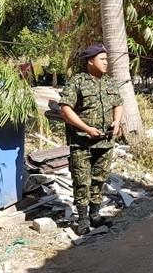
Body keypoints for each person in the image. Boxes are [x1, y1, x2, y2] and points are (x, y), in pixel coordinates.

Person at [59, 44, 123, 235]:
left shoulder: (110, 82)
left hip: (105, 141)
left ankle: (95, 215)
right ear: (90, 61)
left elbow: (118, 103)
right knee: (81, 181)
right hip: (82, 142)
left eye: (106, 59)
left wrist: (117, 121)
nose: (106, 62)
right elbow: (65, 108)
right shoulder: (77, 81)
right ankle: (83, 219)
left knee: (99, 179)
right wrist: (86, 129)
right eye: (102, 59)